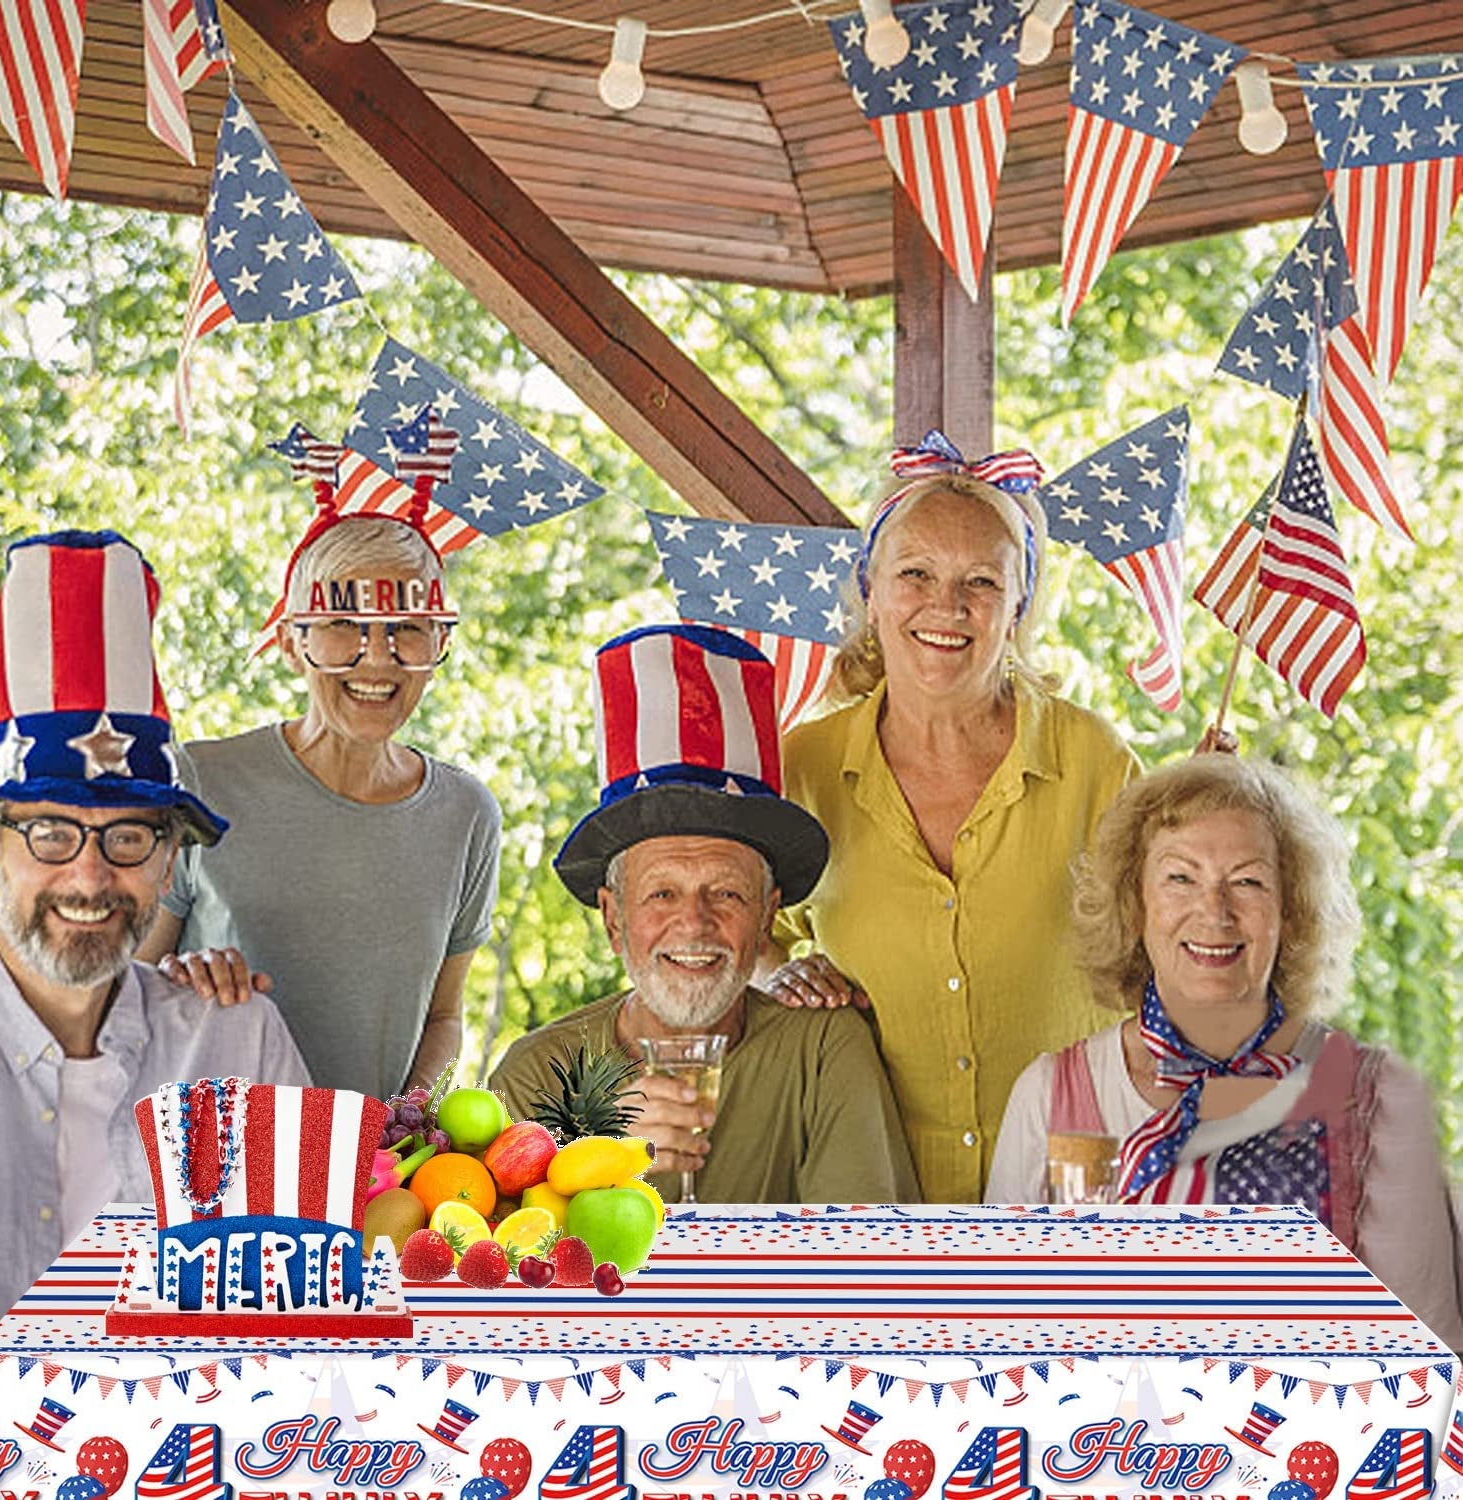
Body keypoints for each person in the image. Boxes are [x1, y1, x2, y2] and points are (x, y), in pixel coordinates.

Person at [765, 435, 1138, 1202]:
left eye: (981, 582)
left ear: (1019, 607)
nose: (947, 606)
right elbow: (740, 929)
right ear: (871, 591)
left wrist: (1209, 818)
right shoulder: (802, 763)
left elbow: (1166, 947)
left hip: (1070, 1191)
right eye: (915, 574)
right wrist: (779, 972)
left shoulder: (1092, 756)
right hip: (872, 1193)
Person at [986, 755, 1463, 1352]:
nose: (1214, 912)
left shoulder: (1372, 1103)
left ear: (1292, 913)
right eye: (1180, 878)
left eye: (1248, 881)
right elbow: (1007, 1348)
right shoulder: (1050, 1096)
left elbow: (1427, 1364)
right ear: (1135, 906)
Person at [0, 530, 309, 1351]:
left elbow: (303, 1316)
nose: (89, 878)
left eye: (127, 839)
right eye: (49, 834)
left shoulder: (237, 1039)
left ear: (169, 864)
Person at [489, 624, 919, 1205]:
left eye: (727, 894)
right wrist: (591, 1154)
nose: (693, 923)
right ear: (614, 919)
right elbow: (499, 1277)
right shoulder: (535, 1076)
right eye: (662, 894)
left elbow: (862, 1265)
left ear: (768, 916)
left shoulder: (821, 1050)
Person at [138, 495, 502, 1101]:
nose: (378, 658)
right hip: (209, 1172)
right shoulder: (196, 781)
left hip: (372, 1181)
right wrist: (178, 984)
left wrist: (404, 1120)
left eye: (407, 630)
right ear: (290, 643)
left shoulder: (466, 815)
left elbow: (443, 1018)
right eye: (342, 627)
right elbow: (123, 996)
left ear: (439, 644)